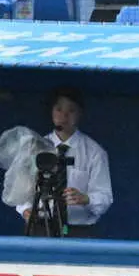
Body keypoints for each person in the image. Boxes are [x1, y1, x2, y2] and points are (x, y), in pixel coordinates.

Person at [18, 87, 112, 238]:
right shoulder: (37, 147)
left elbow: (105, 197)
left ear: (80, 113)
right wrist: (25, 210)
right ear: (51, 112)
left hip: (78, 231)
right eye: (59, 109)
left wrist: (86, 198)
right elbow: (22, 188)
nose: (64, 116)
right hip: (41, 227)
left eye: (71, 110)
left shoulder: (95, 152)